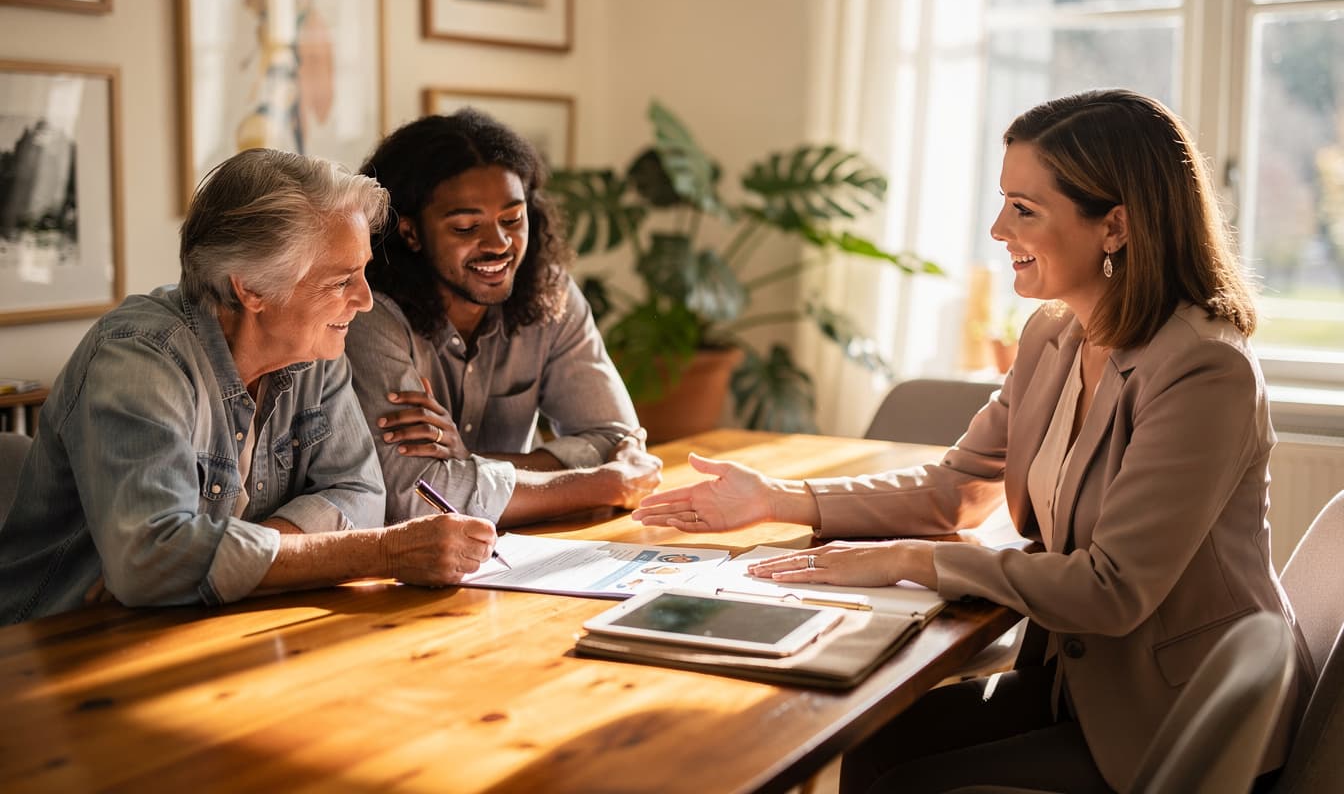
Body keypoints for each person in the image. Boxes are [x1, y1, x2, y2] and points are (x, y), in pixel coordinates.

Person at [633, 90, 1315, 793]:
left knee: (908, 780)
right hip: (1082, 687)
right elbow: (953, 490)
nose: (996, 228)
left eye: (1024, 209)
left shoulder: (1204, 368)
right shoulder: (1053, 334)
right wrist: (780, 498)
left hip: (1180, 721)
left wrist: (913, 562)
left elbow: (1113, 591)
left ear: (1114, 227)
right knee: (873, 739)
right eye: (1003, 201)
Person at [0, 149, 498, 625]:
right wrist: (385, 552)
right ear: (251, 288)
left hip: (197, 627)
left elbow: (361, 490)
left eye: (363, 272)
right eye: (341, 279)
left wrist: (233, 551)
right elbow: (151, 560)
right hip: (54, 649)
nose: (364, 300)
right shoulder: (139, 357)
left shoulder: (313, 348)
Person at [346, 110, 661, 527]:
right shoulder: (368, 312)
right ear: (411, 233)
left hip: (529, 554)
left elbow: (616, 440)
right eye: (465, 227)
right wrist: (602, 485)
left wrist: (471, 462)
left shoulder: (550, 292)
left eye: (512, 220)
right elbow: (421, 496)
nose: (499, 244)